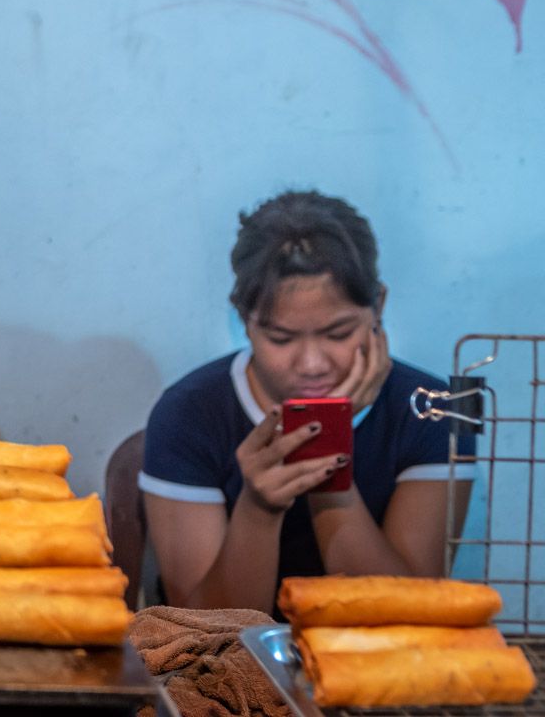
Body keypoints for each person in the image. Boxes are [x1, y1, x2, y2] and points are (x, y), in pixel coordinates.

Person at [141, 191, 471, 612]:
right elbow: (203, 632)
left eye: (338, 334)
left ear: (379, 307)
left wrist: (327, 461)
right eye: (281, 338)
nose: (312, 365)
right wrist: (259, 508)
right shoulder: (188, 413)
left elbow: (407, 614)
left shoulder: (435, 408)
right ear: (244, 320)